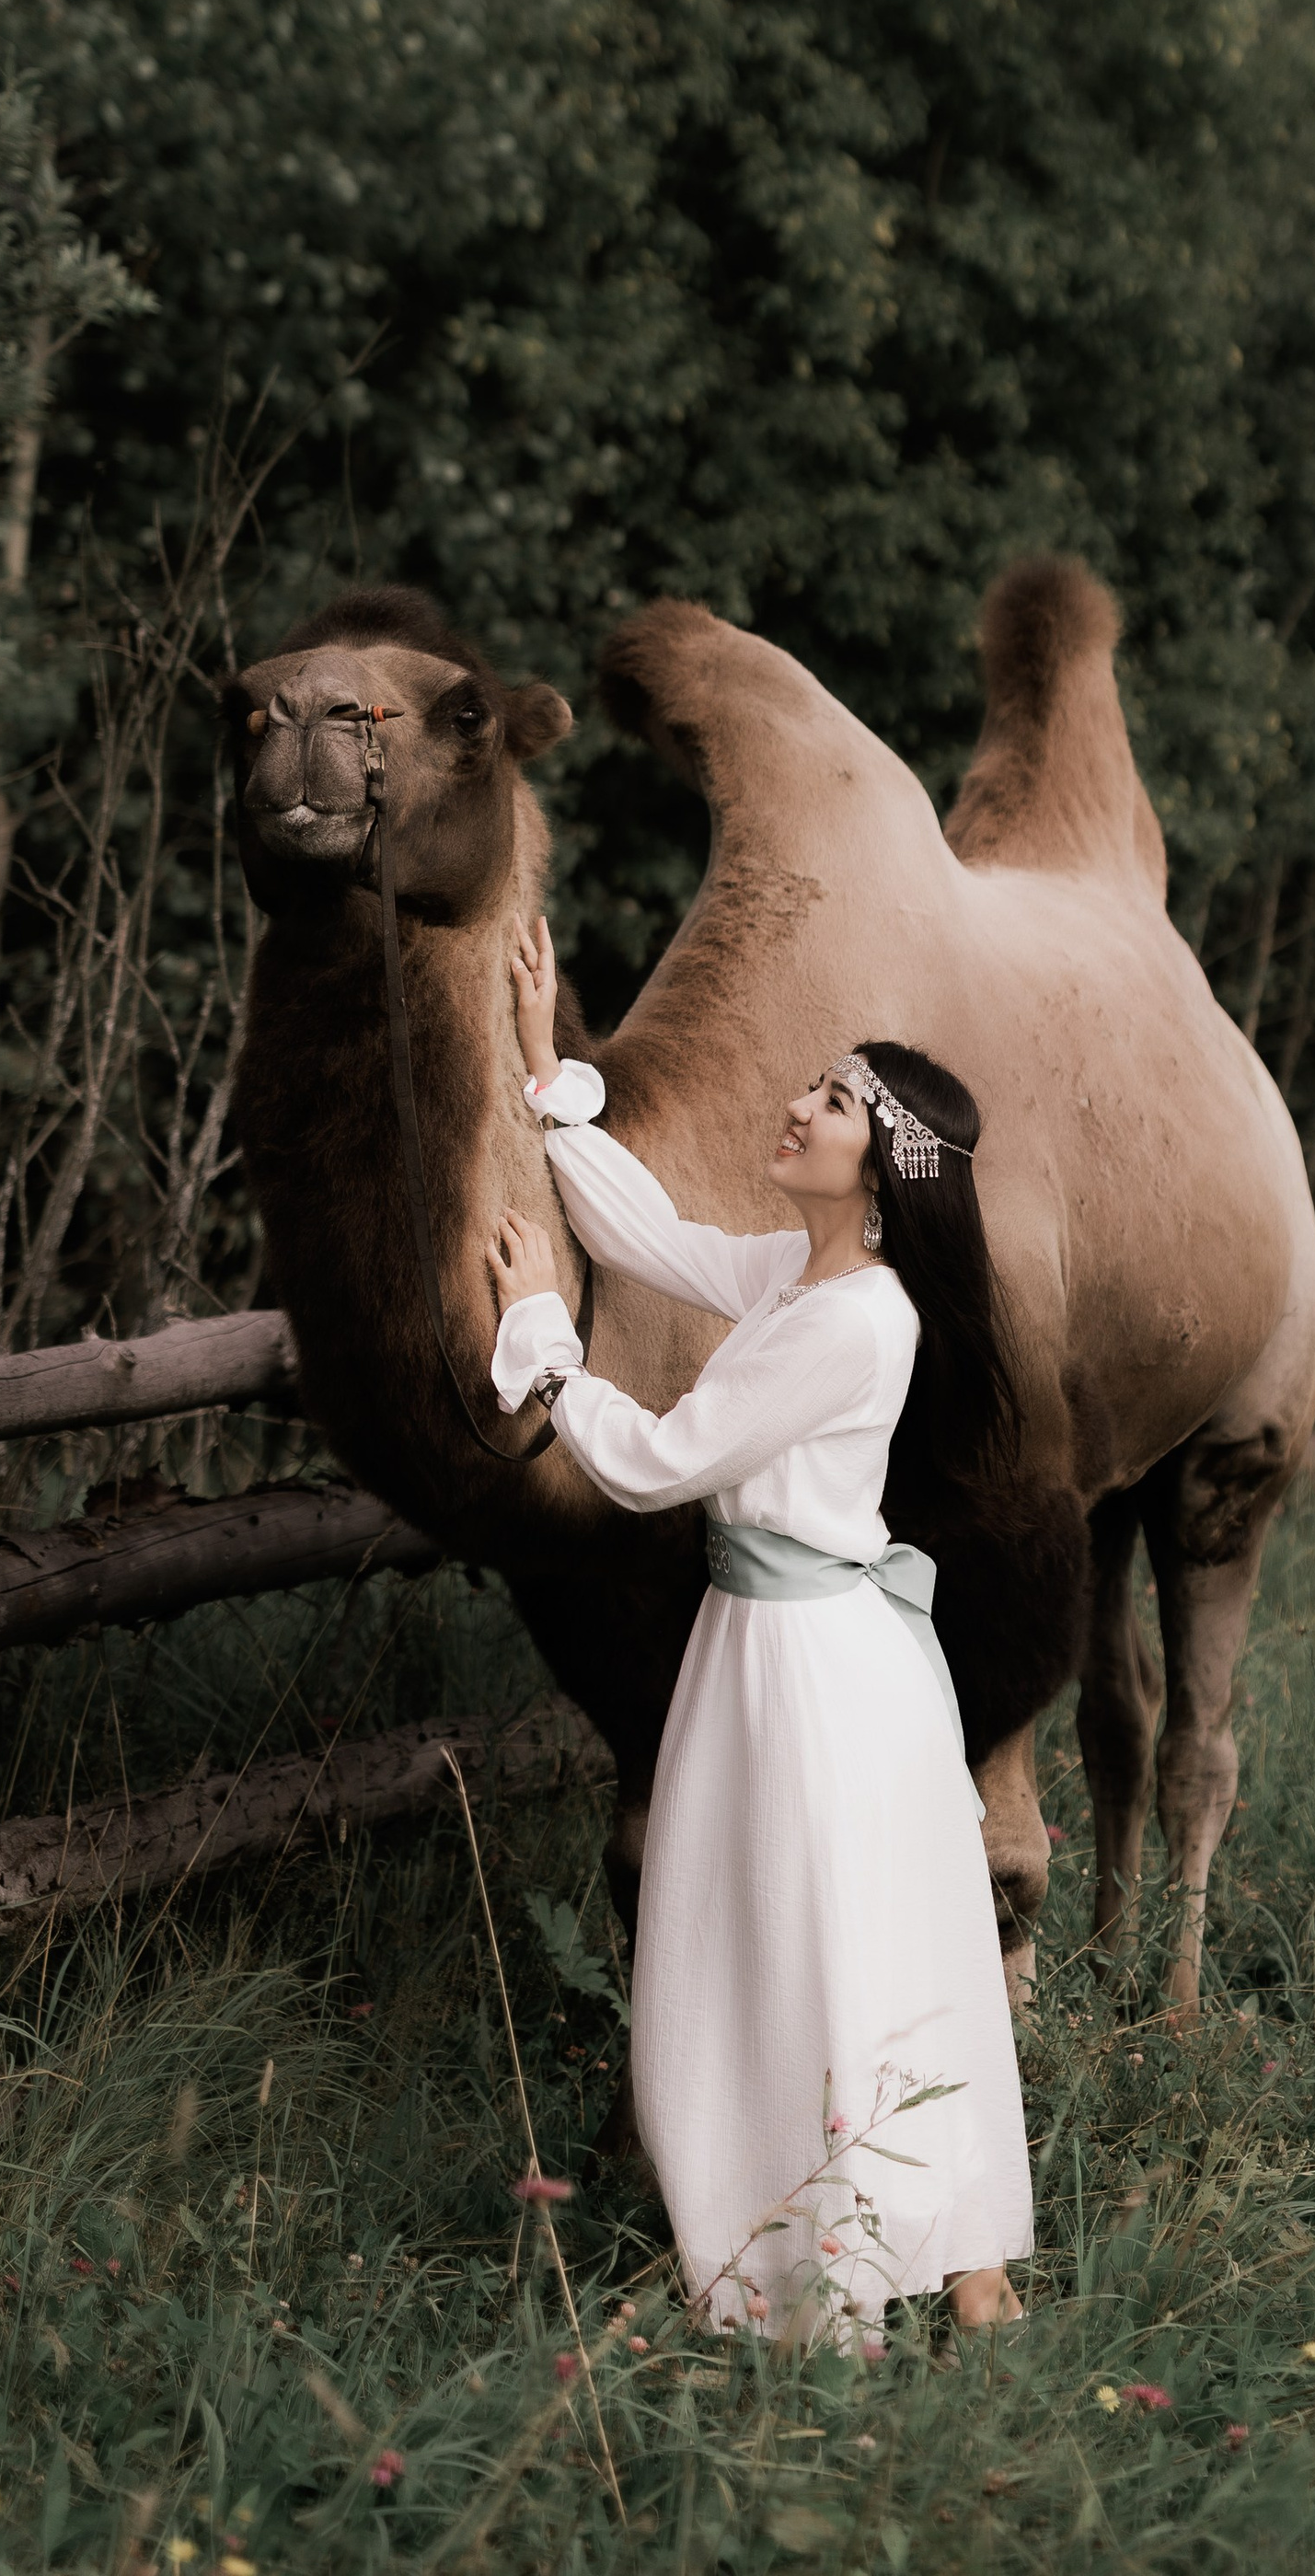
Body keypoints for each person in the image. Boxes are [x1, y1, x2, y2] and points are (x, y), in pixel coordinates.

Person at [483, 915, 1032, 2344]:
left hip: (803, 1671)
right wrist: (548, 1077)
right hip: (810, 1650)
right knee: (877, 1949)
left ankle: (817, 2270)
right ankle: (963, 2265)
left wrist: (541, 1342)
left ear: (888, 1164)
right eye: (817, 1083)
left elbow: (662, 1463)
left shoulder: (851, 1322)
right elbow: (656, 1239)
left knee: (790, 1947)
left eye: (837, 1099)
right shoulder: (815, 1282)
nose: (800, 1103)